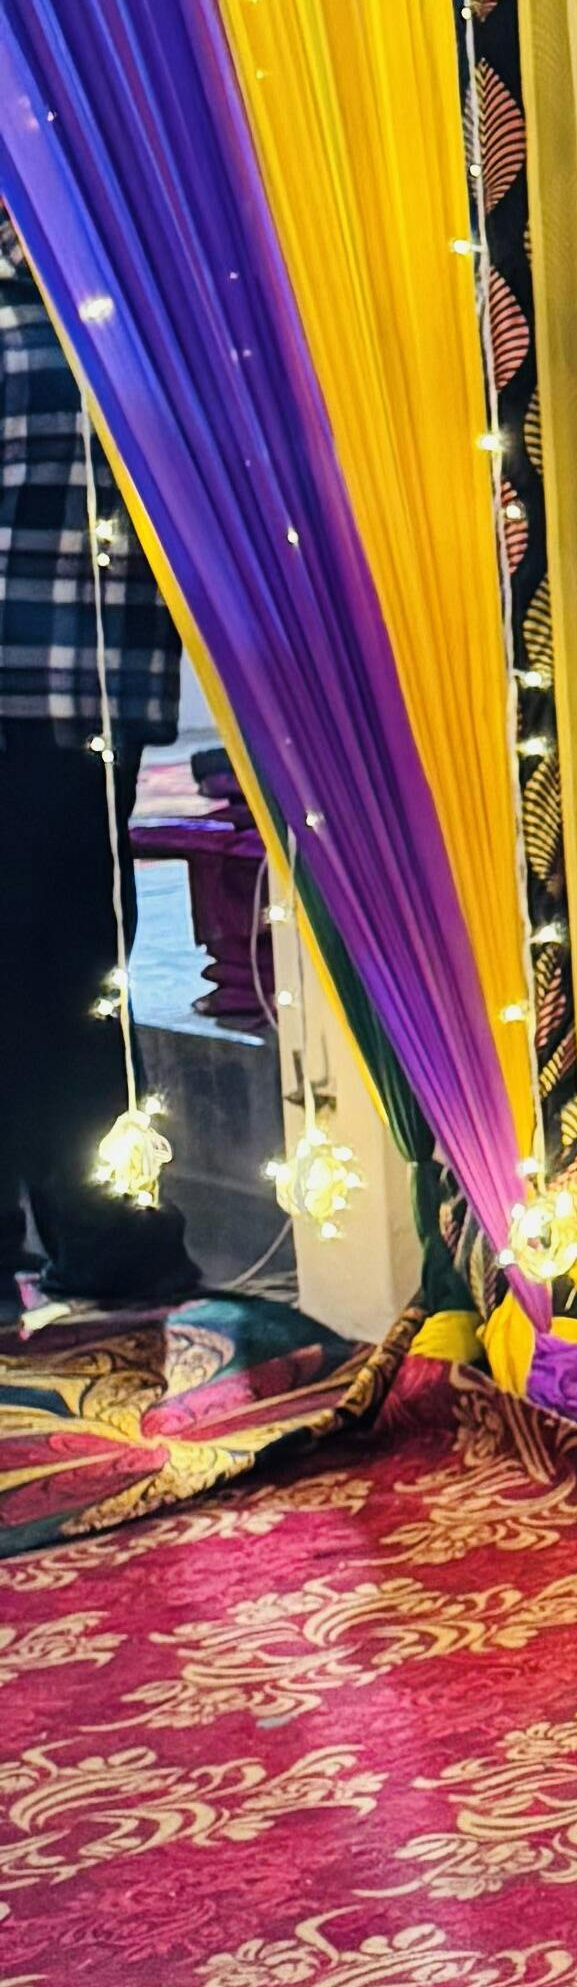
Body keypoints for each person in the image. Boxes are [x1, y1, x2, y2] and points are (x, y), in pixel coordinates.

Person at [0, 217, 192, 1314]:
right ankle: (108, 1247)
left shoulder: (95, 275)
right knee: (65, 976)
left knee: (68, 976)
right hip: (76, 692)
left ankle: (110, 1245)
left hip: (71, 695)